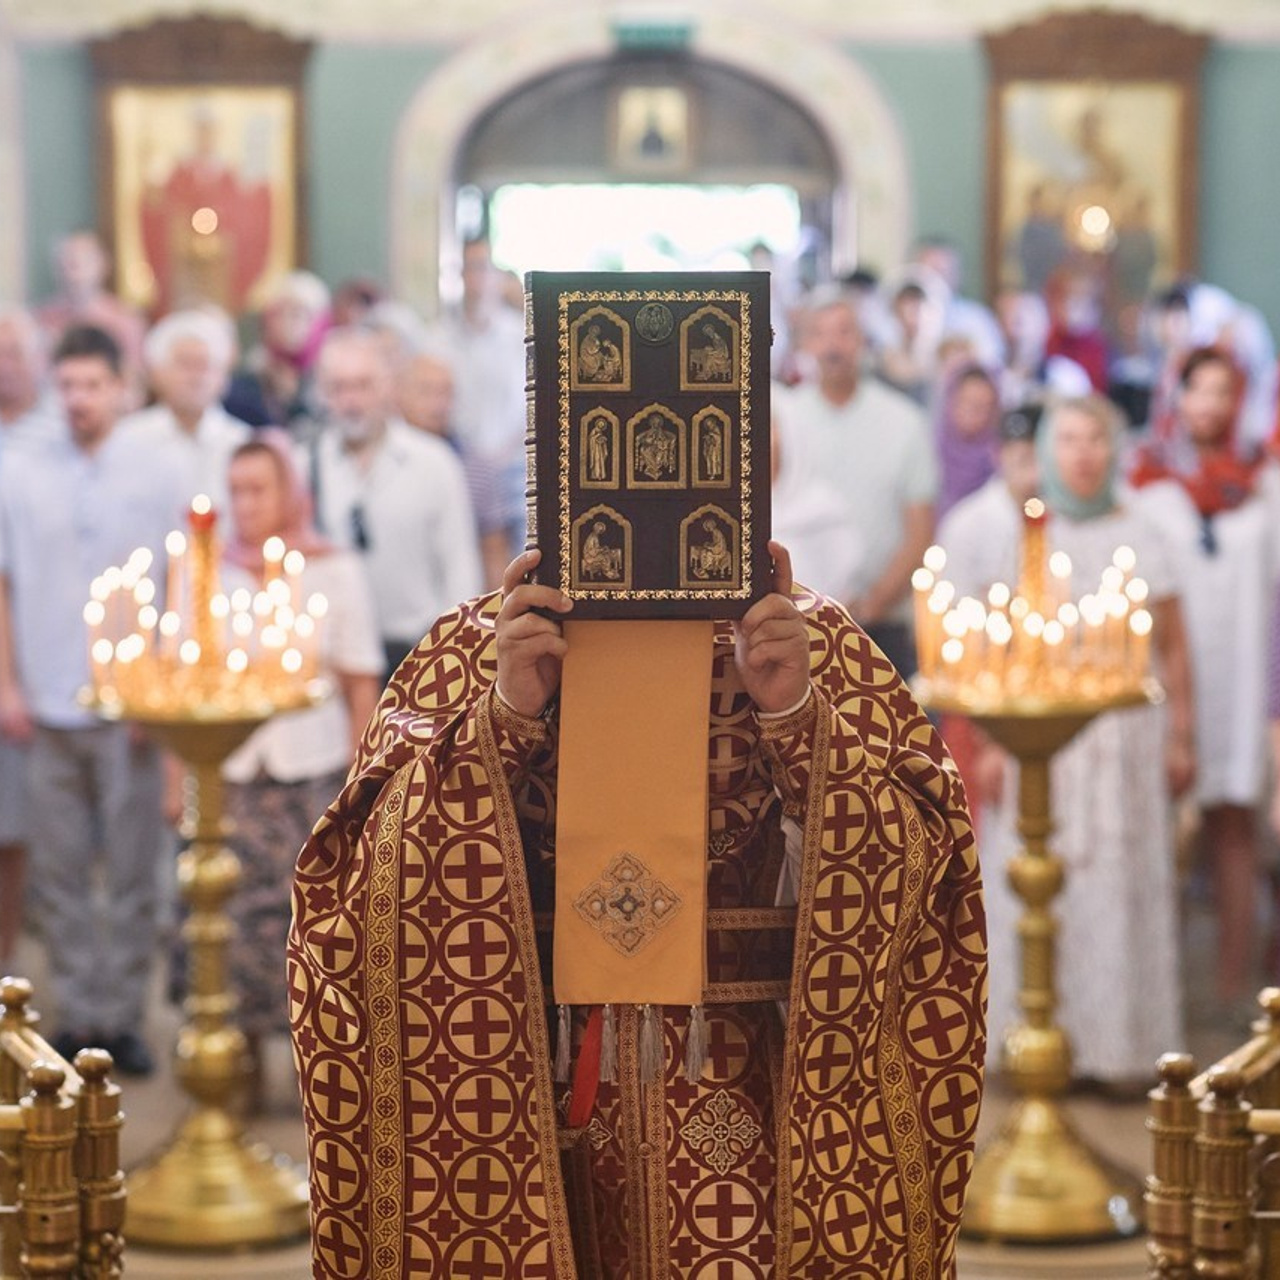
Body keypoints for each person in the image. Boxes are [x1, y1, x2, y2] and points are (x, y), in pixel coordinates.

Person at [289, 541, 986, 1277]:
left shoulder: (813, 641)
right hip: (529, 1099)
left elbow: (926, 867)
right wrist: (504, 716)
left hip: (760, 1096)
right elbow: (361, 877)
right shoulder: (478, 645)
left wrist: (796, 715)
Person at [981, 396, 1195, 1087]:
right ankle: (1036, 1039)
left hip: (1125, 731)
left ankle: (1118, 1047)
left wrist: (1183, 734)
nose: (1081, 453)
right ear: (1049, 450)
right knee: (1040, 879)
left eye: (1093, 439)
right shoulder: (1030, 533)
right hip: (1045, 734)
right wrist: (990, 741)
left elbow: (1175, 645)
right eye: (1067, 439)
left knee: (1119, 885)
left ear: (1113, 449)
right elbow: (1005, 643)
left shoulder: (1146, 530)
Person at [0, 325, 182, 1073]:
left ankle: (124, 1019)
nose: (77, 400)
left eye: (92, 385)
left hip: (129, 701)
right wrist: (7, 683)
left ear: (119, 385)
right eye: (66, 385)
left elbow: (182, 582)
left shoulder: (157, 467)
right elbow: (4, 583)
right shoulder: (19, 466)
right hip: (44, 697)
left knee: (135, 872)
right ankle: (77, 1017)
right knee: (63, 872)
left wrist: (159, 687)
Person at [220, 433, 382, 1109]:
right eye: (236, 491)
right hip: (234, 768)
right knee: (232, 918)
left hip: (312, 769)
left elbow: (359, 680)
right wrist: (179, 781)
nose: (246, 504)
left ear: (289, 491)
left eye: (259, 489)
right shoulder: (216, 567)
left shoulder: (331, 567)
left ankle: (316, 1070)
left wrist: (360, 780)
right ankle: (241, 1063)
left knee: (310, 923)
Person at [1131, 347, 1280, 1010]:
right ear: (1179, 397)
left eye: (1225, 392)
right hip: (1168, 679)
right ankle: (1158, 992)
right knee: (1157, 830)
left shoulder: (1265, 483)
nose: (1212, 405)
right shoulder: (1148, 483)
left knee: (1233, 822)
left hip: (1243, 677)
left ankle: (1230, 993)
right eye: (1200, 390)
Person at [772, 288, 937, 678]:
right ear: (804, 344)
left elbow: (920, 529)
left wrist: (871, 605)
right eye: (820, 333)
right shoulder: (783, 420)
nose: (833, 345)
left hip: (883, 626)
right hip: (797, 630)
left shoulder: (903, 421)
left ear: (862, 340)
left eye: (845, 332)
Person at [308, 327, 482, 680]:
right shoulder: (307, 463)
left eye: (363, 385)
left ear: (387, 387)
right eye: (339, 388)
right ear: (323, 394)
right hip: (336, 664)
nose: (351, 400)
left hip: (419, 654)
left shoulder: (433, 462)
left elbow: (460, 567)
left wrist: (455, 657)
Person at [0, 307, 57, 966]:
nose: (7, 361)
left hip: (27, 649)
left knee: (12, 830)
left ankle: (9, 965)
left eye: (18, 349)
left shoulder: (53, 438)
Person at [395, 346, 510, 590]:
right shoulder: (382, 461)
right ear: (400, 394)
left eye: (445, 392)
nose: (438, 404)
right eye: (426, 391)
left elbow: (494, 549)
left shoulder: (475, 465)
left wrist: (494, 614)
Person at [120, 308, 250, 514]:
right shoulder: (127, 440)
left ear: (223, 377)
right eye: (185, 364)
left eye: (205, 365)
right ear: (157, 372)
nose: (196, 377)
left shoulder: (243, 444)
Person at [224, 270, 330, 431]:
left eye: (298, 313)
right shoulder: (249, 378)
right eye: (279, 314)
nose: (288, 323)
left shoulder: (330, 377)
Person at [935, 361, 1001, 522]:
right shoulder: (925, 451)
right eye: (969, 403)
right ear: (951, 401)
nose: (978, 415)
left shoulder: (1000, 461)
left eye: (986, 407)